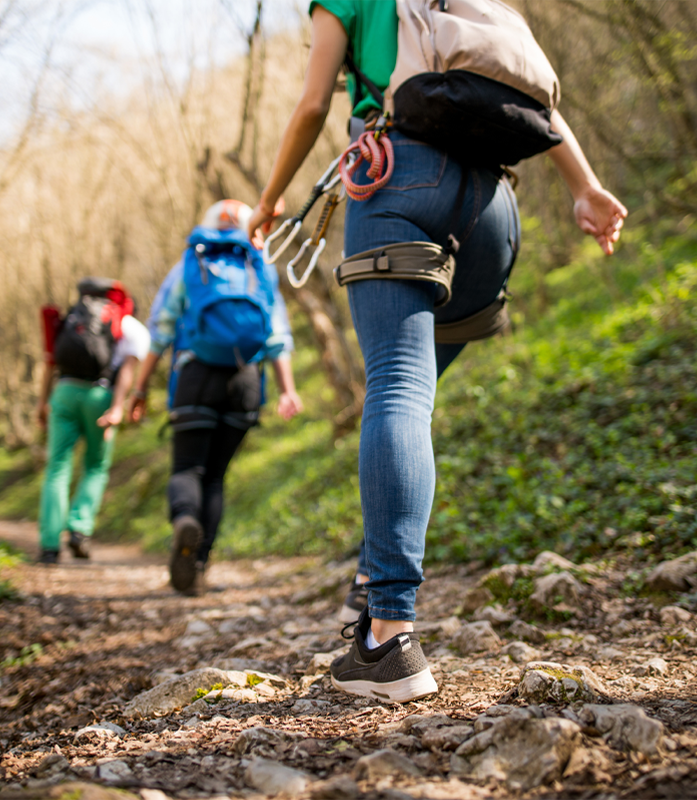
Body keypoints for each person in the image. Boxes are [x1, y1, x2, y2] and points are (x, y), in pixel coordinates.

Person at [248, 1, 627, 702]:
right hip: (493, 212)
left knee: (397, 386)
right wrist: (585, 186)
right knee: (409, 391)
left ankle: (388, 638)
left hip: (396, 178)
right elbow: (535, 94)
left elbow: (309, 107)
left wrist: (270, 199)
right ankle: (372, 576)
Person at [130, 199, 303, 597]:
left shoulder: (191, 263)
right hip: (244, 381)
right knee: (216, 477)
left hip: (196, 376)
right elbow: (277, 336)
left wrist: (140, 389)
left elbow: (161, 329)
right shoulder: (260, 266)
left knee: (188, 468)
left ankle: (185, 520)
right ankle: (201, 565)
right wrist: (288, 390)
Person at [37, 279, 150, 564]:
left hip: (63, 392)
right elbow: (127, 369)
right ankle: (79, 529)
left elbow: (50, 361)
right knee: (96, 466)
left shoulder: (72, 319)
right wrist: (116, 407)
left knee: (57, 468)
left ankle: (49, 545)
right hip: (99, 395)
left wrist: (42, 401)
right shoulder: (127, 324)